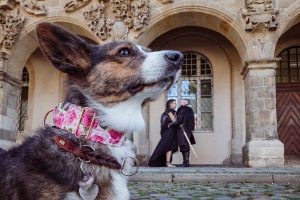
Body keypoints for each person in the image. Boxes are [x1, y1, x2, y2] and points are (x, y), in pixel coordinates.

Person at [148, 99, 178, 167]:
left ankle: (167, 162)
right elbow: (174, 120)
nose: (175, 105)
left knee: (170, 147)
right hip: (169, 132)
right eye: (174, 103)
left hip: (170, 131)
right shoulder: (169, 111)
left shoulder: (170, 111)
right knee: (169, 147)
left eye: (175, 103)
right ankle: (168, 163)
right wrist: (179, 120)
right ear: (170, 104)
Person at [176, 99, 196, 167]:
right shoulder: (189, 109)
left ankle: (186, 162)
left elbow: (180, 119)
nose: (179, 102)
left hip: (183, 130)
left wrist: (172, 124)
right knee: (184, 145)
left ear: (184, 103)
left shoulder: (183, 109)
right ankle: (185, 162)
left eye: (181, 101)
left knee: (184, 145)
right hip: (186, 129)